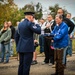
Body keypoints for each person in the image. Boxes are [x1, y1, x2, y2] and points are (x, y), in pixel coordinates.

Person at [15, 8, 41, 75]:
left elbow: (16, 36)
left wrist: (18, 45)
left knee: (21, 64)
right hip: (28, 48)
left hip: (21, 47)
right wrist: (36, 23)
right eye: (33, 16)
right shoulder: (29, 24)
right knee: (26, 65)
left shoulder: (20, 24)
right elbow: (39, 31)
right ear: (31, 16)